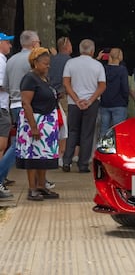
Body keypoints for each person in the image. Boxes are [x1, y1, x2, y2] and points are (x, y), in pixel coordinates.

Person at [16, 47, 60, 201]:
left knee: (43, 157)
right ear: (35, 63)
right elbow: (26, 103)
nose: (47, 66)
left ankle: (42, 186)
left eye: (48, 64)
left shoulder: (44, 79)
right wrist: (33, 127)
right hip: (34, 121)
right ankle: (32, 188)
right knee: (32, 155)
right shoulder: (29, 78)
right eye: (44, 64)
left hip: (47, 122)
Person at [62, 39, 106, 173]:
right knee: (87, 133)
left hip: (74, 103)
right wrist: (90, 100)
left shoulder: (70, 63)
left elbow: (66, 83)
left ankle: (67, 161)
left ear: (80, 49)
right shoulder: (98, 65)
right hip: (91, 103)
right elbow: (102, 85)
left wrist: (76, 99)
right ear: (92, 51)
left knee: (72, 131)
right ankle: (83, 164)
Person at [49, 36, 73, 166]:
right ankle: (61, 155)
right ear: (66, 46)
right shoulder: (69, 61)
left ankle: (52, 152)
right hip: (64, 96)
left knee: (54, 125)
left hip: (50, 96)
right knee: (64, 126)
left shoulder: (51, 60)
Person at [99, 48, 129, 137]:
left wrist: (98, 58)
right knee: (118, 130)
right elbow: (125, 87)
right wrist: (125, 100)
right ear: (120, 56)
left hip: (104, 103)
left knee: (104, 129)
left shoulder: (103, 69)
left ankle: (102, 148)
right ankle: (117, 149)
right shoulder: (122, 70)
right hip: (119, 103)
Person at [0, 32, 14, 198]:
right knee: (2, 146)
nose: (10, 46)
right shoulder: (2, 62)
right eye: (7, 42)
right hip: (1, 107)